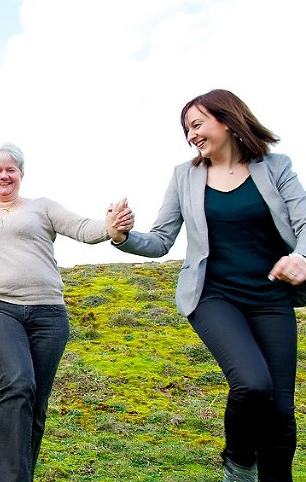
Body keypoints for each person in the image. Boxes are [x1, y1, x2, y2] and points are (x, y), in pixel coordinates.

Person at [107, 89, 303, 482]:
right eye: (186, 129)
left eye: (197, 124)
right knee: (251, 384)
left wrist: (301, 257)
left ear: (227, 120)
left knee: (280, 410)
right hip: (214, 296)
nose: (191, 135)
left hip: (269, 297)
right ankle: (239, 465)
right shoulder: (185, 176)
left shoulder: (275, 166)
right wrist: (121, 236)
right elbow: (161, 240)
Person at [0, 143, 126, 482]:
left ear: (21, 174)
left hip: (49, 315)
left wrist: (109, 227)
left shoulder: (42, 208)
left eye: (11, 169)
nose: (4, 175)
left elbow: (82, 228)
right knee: (19, 383)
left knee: (35, 404)